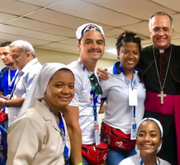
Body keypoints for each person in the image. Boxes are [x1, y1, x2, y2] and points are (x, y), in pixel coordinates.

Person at [98, 12, 180, 165]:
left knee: (174, 156)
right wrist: (102, 72)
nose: (161, 33)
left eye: (165, 29)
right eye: (156, 29)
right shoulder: (141, 55)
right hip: (148, 116)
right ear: (150, 32)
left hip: (175, 119)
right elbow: (124, 63)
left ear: (171, 31)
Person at [7, 63, 73, 165]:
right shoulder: (29, 121)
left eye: (71, 86)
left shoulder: (58, 115)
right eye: (59, 85)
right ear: (44, 86)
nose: (66, 91)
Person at [99, 31, 146, 165]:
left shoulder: (143, 75)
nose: (131, 56)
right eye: (125, 52)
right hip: (113, 140)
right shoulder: (107, 76)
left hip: (136, 140)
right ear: (118, 53)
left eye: (135, 52)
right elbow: (97, 107)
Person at [66, 23, 106, 165]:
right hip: (76, 148)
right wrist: (78, 163)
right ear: (79, 45)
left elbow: (92, 106)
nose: (95, 46)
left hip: (91, 144)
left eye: (99, 42)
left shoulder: (93, 74)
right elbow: (71, 124)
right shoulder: (72, 74)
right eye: (88, 42)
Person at [0, 40, 42, 124]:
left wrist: (5, 103)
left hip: (27, 122)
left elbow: (31, 99)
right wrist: (10, 98)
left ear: (28, 55)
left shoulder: (35, 71)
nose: (13, 60)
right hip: (16, 119)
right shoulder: (22, 71)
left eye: (15, 56)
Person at [0, 41, 18, 130]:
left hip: (20, 114)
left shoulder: (25, 72)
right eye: (0, 54)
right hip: (4, 114)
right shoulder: (3, 72)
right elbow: (1, 92)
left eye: (5, 54)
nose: (2, 57)